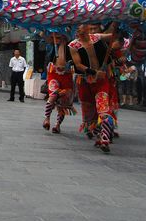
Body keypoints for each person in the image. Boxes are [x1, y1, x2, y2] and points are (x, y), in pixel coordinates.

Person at [69, 24, 117, 153]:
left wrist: (119, 28)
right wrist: (93, 72)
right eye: (77, 28)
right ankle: (96, 131)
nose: (79, 29)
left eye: (81, 27)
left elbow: (113, 37)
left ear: (87, 28)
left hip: (102, 81)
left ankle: (105, 140)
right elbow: (78, 65)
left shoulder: (97, 38)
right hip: (85, 82)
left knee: (103, 109)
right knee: (90, 113)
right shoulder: (73, 46)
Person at [43, 34, 74, 134]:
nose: (56, 39)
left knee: (63, 102)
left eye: (59, 37)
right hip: (53, 75)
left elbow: (76, 62)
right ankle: (47, 118)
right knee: (53, 95)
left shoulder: (72, 47)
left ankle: (57, 125)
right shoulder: (51, 46)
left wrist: (67, 67)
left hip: (67, 77)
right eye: (55, 37)